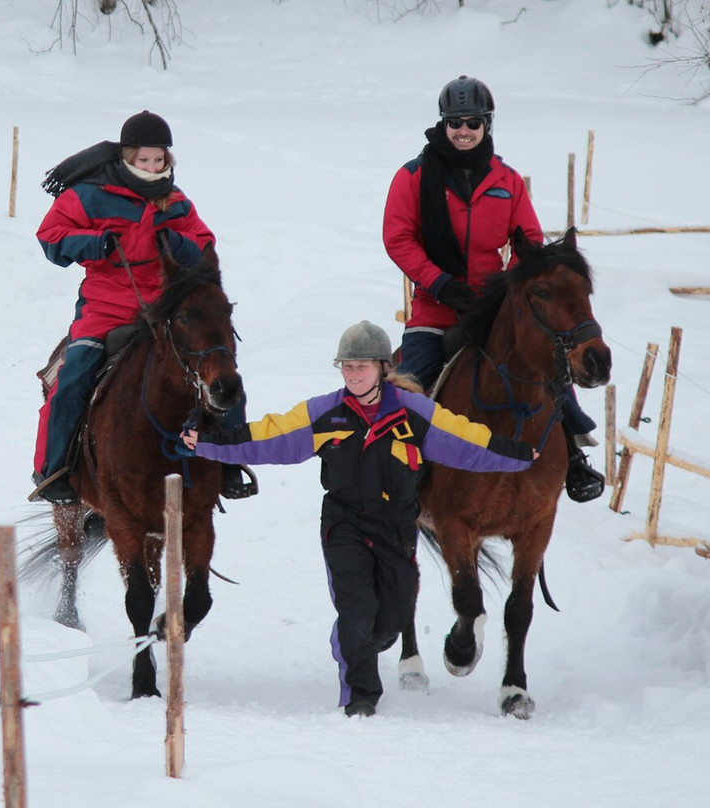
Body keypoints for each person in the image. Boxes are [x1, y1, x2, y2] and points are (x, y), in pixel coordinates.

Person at [180, 321, 536, 717]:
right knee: (356, 611)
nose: (353, 375)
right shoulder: (325, 413)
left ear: (382, 367)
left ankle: (356, 641)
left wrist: (518, 454)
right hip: (344, 524)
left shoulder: (414, 413)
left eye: (361, 366)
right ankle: (360, 697)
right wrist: (209, 444)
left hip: (396, 526)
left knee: (391, 620)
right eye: (346, 367)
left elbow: (466, 440)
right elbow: (270, 436)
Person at [382, 74, 605, 502]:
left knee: (548, 367)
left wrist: (509, 287)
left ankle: (574, 456)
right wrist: (439, 282)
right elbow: (398, 239)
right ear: (443, 124)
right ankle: (401, 474)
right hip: (434, 308)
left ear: (486, 124)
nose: (463, 131)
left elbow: (531, 243)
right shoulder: (412, 177)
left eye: (472, 122)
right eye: (455, 123)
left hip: (495, 308)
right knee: (412, 384)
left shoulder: (507, 180)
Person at [31, 110, 256, 504]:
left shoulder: (176, 201)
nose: (152, 167)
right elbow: (51, 236)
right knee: (75, 375)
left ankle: (230, 462)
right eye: (144, 160)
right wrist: (94, 243)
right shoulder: (89, 194)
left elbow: (204, 245)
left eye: (159, 160)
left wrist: (177, 243)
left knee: (221, 369)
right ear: (127, 157)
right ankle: (56, 472)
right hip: (106, 306)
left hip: (165, 306)